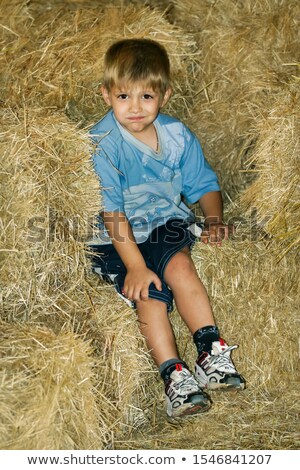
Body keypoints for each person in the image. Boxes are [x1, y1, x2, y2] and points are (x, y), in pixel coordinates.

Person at [88, 38, 245, 419]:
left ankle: (210, 351)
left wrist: (213, 220)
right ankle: (174, 374)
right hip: (118, 236)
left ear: (165, 94)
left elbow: (204, 184)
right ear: (106, 94)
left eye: (147, 96)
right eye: (124, 96)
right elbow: (112, 213)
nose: (136, 107)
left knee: (180, 268)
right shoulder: (103, 143)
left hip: (164, 222)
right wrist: (137, 266)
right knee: (149, 292)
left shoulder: (176, 136)